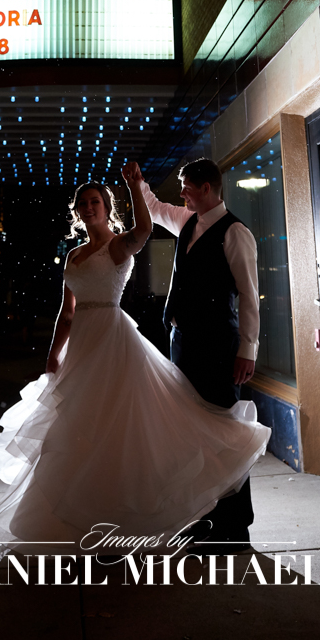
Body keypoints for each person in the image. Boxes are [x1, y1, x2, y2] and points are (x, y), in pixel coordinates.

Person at [0, 171, 269, 555]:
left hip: (122, 343)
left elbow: (147, 228)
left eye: (95, 202)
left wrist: (135, 187)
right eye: (83, 204)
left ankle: (216, 525)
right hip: (87, 348)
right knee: (78, 430)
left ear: (106, 208)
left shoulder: (119, 247)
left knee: (132, 428)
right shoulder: (76, 254)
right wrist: (53, 354)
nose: (88, 208)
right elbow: (67, 312)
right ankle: (84, 517)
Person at [122, 157, 261, 554]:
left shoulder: (235, 232)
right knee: (192, 433)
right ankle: (204, 519)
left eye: (186, 186)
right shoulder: (187, 221)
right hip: (183, 344)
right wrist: (137, 183)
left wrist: (247, 349)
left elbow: (249, 296)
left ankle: (234, 528)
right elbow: (154, 208)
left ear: (205, 188)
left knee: (223, 434)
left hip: (218, 345)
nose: (181, 192)